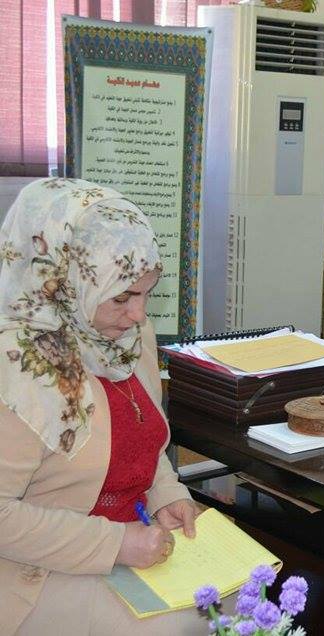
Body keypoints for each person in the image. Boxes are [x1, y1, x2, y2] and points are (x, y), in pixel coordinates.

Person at [0, 178, 205, 634]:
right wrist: (114, 544)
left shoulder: (127, 336)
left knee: (245, 597)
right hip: (34, 570)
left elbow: (143, 438)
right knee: (184, 625)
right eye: (123, 296)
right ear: (64, 282)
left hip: (133, 536)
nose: (140, 314)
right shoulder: (18, 365)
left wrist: (166, 493)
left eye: (147, 293)